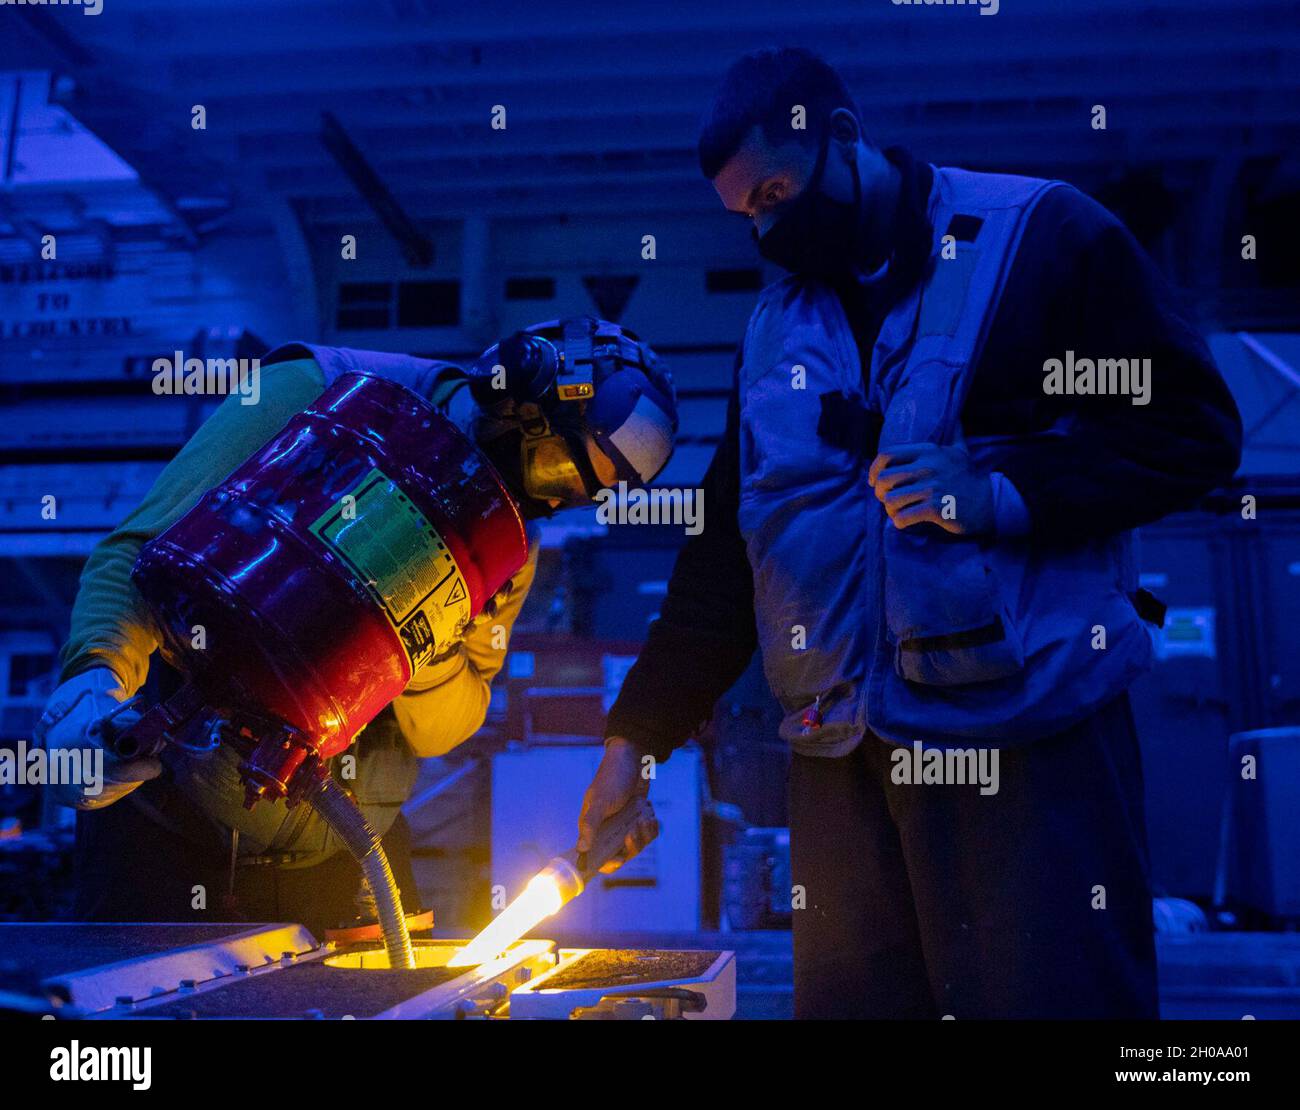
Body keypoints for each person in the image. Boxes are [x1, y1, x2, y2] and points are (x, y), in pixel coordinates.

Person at [576, 48, 1243, 1019]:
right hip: (840, 761)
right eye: (745, 214)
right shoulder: (776, 332)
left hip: (1022, 746)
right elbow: (728, 552)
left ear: (841, 139)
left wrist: (1000, 491)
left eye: (773, 191)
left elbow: (1188, 427)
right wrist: (635, 741)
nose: (765, 226)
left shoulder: (1037, 240)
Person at [36, 317, 676, 937]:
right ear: (515, 401)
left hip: (344, 851)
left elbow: (447, 726)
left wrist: (434, 634)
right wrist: (91, 686)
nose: (556, 504)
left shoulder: (508, 549)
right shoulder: (312, 391)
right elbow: (142, 553)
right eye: (560, 474)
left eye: (585, 496)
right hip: (174, 835)